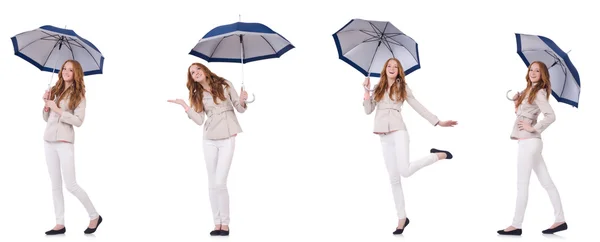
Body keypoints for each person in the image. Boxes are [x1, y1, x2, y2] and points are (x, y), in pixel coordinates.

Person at [363, 57, 458, 235]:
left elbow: (418, 106)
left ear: (399, 71)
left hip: (399, 131)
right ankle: (402, 218)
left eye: (395, 67)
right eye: (389, 66)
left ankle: (438, 155)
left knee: (405, 171)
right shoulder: (377, 88)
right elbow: (368, 110)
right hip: (383, 135)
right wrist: (366, 91)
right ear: (384, 69)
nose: (392, 68)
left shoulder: (403, 87)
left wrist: (438, 122)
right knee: (393, 178)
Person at [168, 62, 248, 236]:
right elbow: (199, 120)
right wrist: (185, 106)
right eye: (192, 72)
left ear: (204, 70)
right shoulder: (197, 94)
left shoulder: (225, 84)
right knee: (212, 184)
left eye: (198, 69)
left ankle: (225, 223)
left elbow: (239, 109)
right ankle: (217, 223)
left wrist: (242, 100)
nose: (195, 73)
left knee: (220, 182)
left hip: (227, 136)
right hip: (209, 139)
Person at [497, 61, 567, 236]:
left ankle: (516, 225)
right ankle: (560, 220)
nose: (533, 72)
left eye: (537, 70)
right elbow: (523, 114)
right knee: (547, 182)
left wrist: (534, 128)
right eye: (531, 69)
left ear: (543, 74)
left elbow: (551, 116)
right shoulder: (529, 91)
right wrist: (516, 102)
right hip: (529, 142)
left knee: (522, 184)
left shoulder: (539, 92)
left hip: (529, 141)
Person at [42, 60, 102, 235]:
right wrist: (46, 105)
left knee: (71, 185)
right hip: (48, 141)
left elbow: (78, 121)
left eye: (70, 70)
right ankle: (59, 223)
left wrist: (58, 109)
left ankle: (94, 215)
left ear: (76, 74)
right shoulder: (54, 90)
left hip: (64, 143)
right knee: (55, 184)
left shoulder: (79, 95)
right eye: (64, 68)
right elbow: (46, 119)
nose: (66, 72)